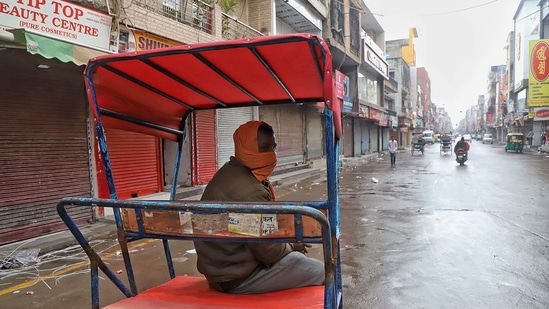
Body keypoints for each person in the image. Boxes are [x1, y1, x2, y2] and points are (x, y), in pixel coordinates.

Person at [193, 120, 324, 294]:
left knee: (297, 261)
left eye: (273, 148)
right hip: (238, 278)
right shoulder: (251, 191)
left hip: (219, 271)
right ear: (245, 147)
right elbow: (268, 252)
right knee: (320, 271)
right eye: (264, 148)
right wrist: (293, 246)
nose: (271, 155)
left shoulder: (229, 171)